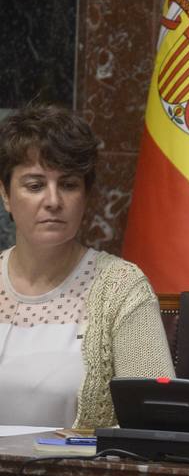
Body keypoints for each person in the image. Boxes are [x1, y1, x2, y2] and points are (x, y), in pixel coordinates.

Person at [0, 104, 174, 429]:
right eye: (35, 185)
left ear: (86, 195)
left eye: (68, 185)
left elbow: (157, 423)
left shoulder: (122, 286)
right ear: (6, 195)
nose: (53, 200)